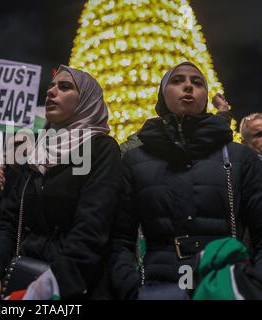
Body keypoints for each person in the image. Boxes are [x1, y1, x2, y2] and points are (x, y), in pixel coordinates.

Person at [110, 61, 262, 300]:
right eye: (177, 81)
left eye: (197, 82)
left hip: (225, 286)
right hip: (153, 288)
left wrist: (251, 284)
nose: (188, 86)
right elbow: (120, 237)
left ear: (206, 95)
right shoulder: (135, 160)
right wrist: (129, 288)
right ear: (163, 94)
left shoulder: (240, 157)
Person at [0, 65, 122, 300]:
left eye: (64, 87)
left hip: (74, 287)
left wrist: (47, 289)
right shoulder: (33, 152)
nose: (51, 92)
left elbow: (92, 229)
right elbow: (9, 222)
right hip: (20, 277)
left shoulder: (102, 149)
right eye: (51, 87)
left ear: (86, 100)